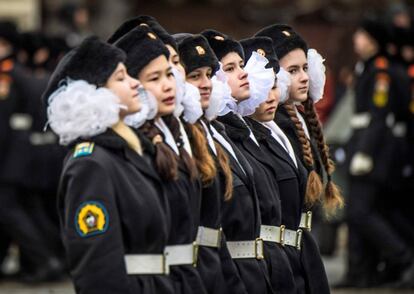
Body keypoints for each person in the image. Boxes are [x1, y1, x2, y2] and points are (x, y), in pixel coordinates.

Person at [42, 36, 174, 294]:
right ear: (92, 93)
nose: (136, 83)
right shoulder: (90, 164)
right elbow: (97, 267)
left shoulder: (129, 153)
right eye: (122, 77)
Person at [111, 25, 208, 294]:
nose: (169, 84)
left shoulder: (172, 134)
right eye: (154, 78)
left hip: (187, 277)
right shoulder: (128, 146)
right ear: (132, 84)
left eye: (170, 73)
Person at [256, 23, 343, 293]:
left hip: (304, 242)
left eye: (306, 68)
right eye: (292, 71)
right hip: (285, 249)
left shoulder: (299, 119)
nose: (304, 77)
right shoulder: (275, 124)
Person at [335, 17, 414, 288]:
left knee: (361, 210)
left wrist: (365, 152)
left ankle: (404, 258)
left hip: (373, 147)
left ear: (372, 40)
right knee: (356, 212)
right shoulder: (366, 67)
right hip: (360, 141)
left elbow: (379, 115)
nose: (357, 39)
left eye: (361, 34)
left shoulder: (381, 71)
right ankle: (359, 272)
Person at [201, 29, 276, 294]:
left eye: (242, 65)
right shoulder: (216, 133)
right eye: (230, 68)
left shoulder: (232, 130)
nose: (243, 73)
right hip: (229, 272)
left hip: (256, 268)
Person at [176, 33, 234, 294]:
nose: (206, 83)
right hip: (192, 268)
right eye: (195, 76)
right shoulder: (180, 134)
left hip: (213, 263)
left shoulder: (208, 129)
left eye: (209, 74)